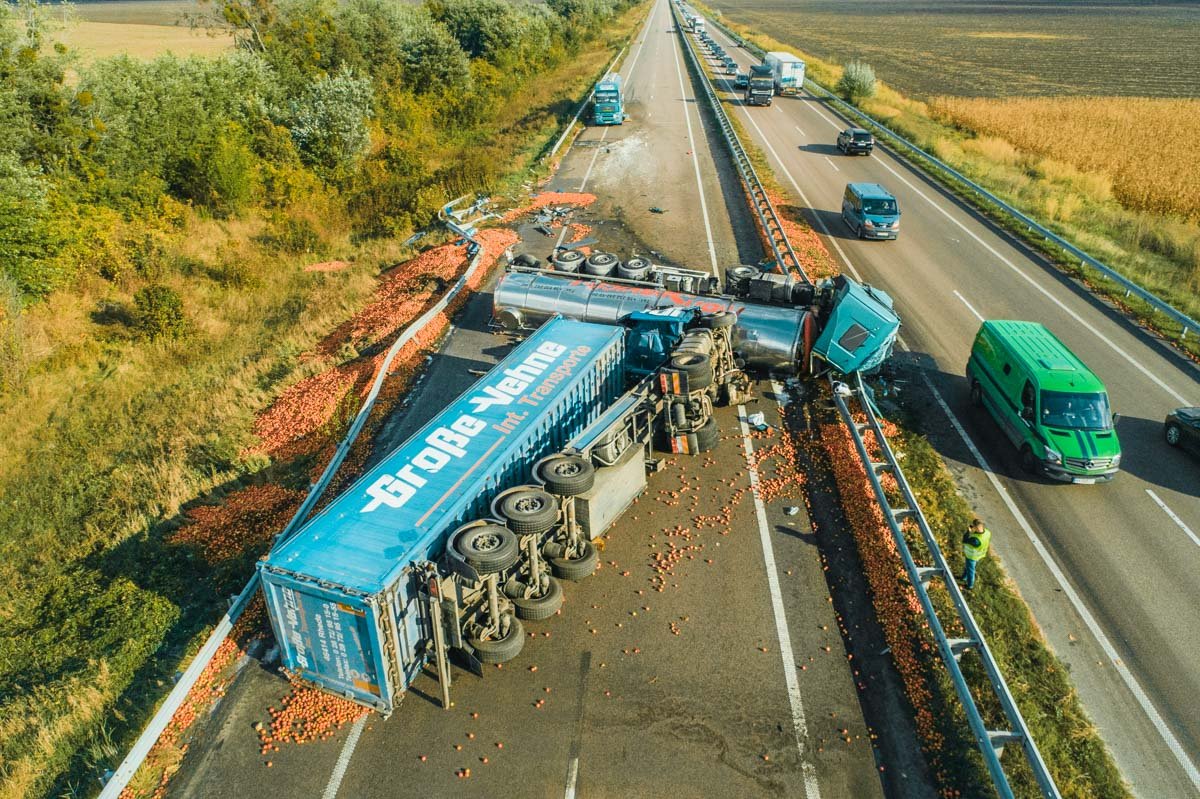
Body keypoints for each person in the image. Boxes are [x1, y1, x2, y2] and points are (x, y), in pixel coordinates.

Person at [960, 518, 991, 590]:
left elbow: (964, 540)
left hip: (972, 556)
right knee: (968, 567)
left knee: (971, 570)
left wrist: (968, 531)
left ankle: (969, 585)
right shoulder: (987, 532)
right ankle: (964, 577)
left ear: (976, 527)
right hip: (980, 554)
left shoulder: (975, 540)